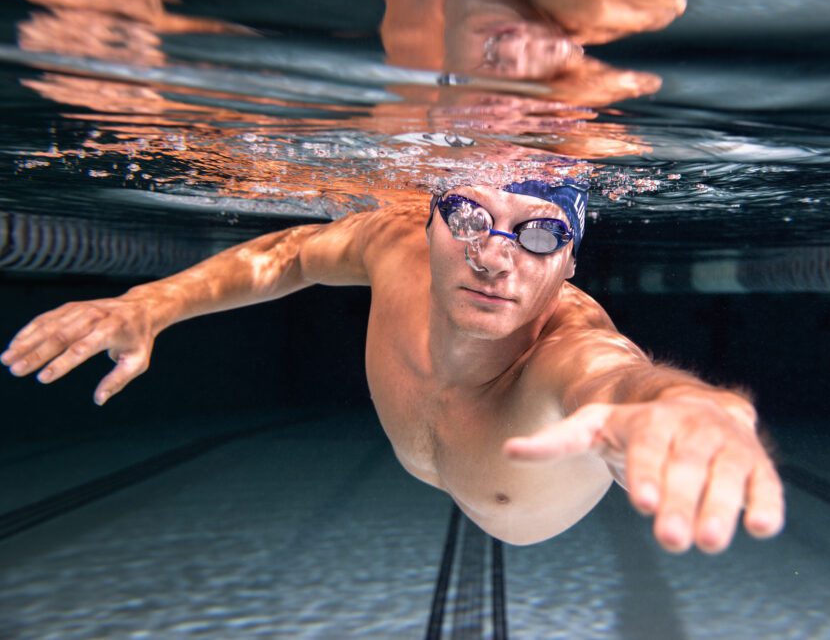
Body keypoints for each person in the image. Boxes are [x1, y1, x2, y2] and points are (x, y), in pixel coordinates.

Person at [2, 181, 784, 554]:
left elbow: (622, 381)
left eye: (540, 233)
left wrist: (682, 407)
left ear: (570, 259)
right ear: (431, 220)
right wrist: (152, 302)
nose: (495, 257)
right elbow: (292, 253)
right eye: (470, 216)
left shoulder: (567, 352)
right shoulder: (395, 246)